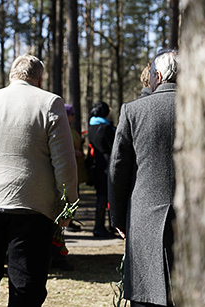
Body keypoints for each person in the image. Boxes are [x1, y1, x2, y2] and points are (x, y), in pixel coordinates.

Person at [0, 54, 78, 307]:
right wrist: (68, 203)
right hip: (32, 207)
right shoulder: (50, 103)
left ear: (12, 75)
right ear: (40, 78)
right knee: (26, 286)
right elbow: (64, 161)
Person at [108, 49, 178, 307]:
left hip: (144, 217)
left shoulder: (134, 111)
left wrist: (118, 218)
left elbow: (117, 170)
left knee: (146, 296)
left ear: (157, 77)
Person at [87, 101, 115, 238]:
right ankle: (104, 227)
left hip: (98, 166)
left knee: (101, 197)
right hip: (108, 166)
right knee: (108, 197)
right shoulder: (106, 128)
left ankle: (99, 226)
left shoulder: (91, 127)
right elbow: (113, 147)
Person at [64, 104, 86, 232]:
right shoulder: (63, 128)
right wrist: (74, 151)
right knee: (69, 196)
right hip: (69, 168)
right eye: (71, 114)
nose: (73, 117)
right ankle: (67, 221)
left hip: (77, 166)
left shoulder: (71, 128)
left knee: (75, 196)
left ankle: (70, 220)